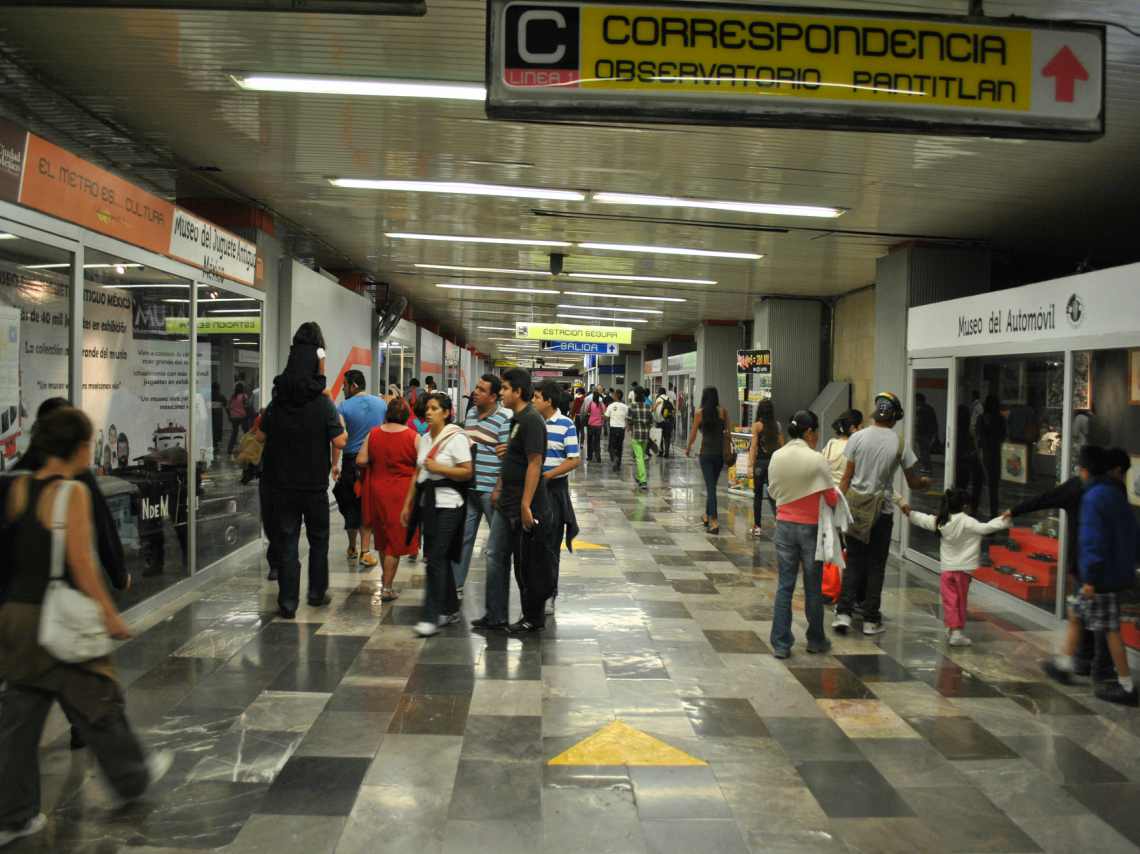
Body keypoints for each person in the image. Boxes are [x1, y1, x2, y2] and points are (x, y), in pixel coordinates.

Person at [0, 407, 171, 846]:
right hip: (60, 618)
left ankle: (16, 814)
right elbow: (80, 562)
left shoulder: (20, 487)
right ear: (77, 448)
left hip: (18, 616)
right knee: (96, 698)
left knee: (20, 716)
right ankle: (133, 776)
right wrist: (110, 614)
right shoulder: (71, 494)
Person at [12, 398, 131, 752]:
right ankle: (128, 770)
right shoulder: (73, 484)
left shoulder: (15, 479)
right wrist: (115, 583)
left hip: (21, 609)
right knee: (93, 685)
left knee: (25, 701)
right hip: (65, 604)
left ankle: (18, 802)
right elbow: (92, 545)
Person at [1004, 445, 1116, 683]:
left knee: (1088, 617)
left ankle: (1093, 668)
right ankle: (1085, 661)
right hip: (1101, 564)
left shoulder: (1079, 488)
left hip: (1086, 563)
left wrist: (1015, 510)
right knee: (1089, 616)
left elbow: (1045, 499)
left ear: (1083, 468)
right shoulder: (1111, 490)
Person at [257, 338, 346, 619]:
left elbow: (260, 436)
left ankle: (287, 602)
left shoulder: (277, 403)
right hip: (314, 487)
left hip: (282, 485)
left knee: (287, 541)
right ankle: (316, 593)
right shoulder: (322, 404)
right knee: (319, 540)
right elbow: (340, 441)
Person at [1042, 447, 1139, 706]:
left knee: (1110, 630)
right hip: (1111, 572)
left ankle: (1126, 685)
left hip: (1101, 577)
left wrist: (1091, 579)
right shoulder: (1114, 494)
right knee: (1076, 615)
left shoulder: (1094, 497)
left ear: (1085, 471)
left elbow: (1092, 541)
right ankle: (1063, 664)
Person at [833, 392, 929, 637]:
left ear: (876, 412)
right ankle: (870, 619)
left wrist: (835, 506)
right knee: (876, 565)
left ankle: (843, 613)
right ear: (895, 416)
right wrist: (925, 483)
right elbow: (913, 481)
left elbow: (846, 478)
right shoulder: (899, 444)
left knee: (853, 560)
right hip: (882, 512)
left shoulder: (857, 438)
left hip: (855, 509)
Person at [766, 409, 837, 659]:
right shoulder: (816, 459)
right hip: (810, 529)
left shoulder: (777, 455)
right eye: (816, 432)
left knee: (785, 586)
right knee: (812, 587)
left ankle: (781, 644)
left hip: (784, 525)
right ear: (809, 432)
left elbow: (773, 492)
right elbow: (830, 496)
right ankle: (816, 640)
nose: (817, 436)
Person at [401, 394, 472, 638]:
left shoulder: (456, 437)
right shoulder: (424, 438)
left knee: (436, 559)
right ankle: (450, 607)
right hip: (428, 504)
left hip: (450, 504)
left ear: (446, 412)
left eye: (434, 408)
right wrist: (408, 503)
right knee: (435, 556)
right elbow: (418, 471)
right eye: (427, 408)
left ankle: (431, 615)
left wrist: (440, 468)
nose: (428, 412)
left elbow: (466, 471)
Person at [487, 368, 550, 634]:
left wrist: (526, 505)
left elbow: (535, 463)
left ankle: (533, 617)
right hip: (507, 501)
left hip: (524, 504)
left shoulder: (532, 420)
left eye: (503, 388)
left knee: (526, 563)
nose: (500, 393)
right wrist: (499, 486)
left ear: (518, 392)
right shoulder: (517, 419)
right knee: (496, 555)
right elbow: (519, 458)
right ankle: (495, 615)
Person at [906, 488, 1010, 646]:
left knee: (950, 601)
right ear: (965, 506)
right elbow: (986, 528)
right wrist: (1004, 520)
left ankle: (951, 628)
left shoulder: (942, 521)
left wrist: (909, 513)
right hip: (963, 571)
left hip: (947, 570)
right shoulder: (967, 521)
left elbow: (924, 519)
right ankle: (957, 633)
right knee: (960, 601)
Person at [452, 374, 511, 601]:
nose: (475, 392)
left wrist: (498, 488)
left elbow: (506, 458)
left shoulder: (505, 418)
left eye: (481, 389)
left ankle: (496, 597)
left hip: (491, 491)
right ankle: (456, 586)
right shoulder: (471, 414)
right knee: (463, 539)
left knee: (496, 548)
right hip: (470, 488)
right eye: (476, 388)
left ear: (494, 396)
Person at [357, 398, 419, 603]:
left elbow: (361, 460)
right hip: (402, 493)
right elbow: (422, 465)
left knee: (383, 539)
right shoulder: (413, 436)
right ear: (406, 416)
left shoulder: (373, 433)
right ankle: (387, 587)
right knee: (396, 540)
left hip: (377, 490)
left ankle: (386, 582)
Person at [534, 380, 581, 615]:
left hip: (553, 492)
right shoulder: (531, 422)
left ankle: (550, 593)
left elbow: (574, 459)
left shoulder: (566, 424)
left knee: (551, 546)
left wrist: (547, 475)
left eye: (537, 397)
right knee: (533, 546)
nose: (533, 401)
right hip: (531, 491)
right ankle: (534, 592)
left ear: (548, 401)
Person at [333, 370, 387, 569]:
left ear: (353, 385)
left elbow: (339, 439)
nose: (343, 389)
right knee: (367, 505)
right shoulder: (381, 404)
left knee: (350, 504)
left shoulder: (343, 407)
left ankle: (352, 547)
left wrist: (334, 465)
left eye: (344, 385)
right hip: (373, 461)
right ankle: (365, 551)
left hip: (351, 461)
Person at [686, 387, 730, 535]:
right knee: (712, 486)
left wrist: (688, 448)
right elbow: (727, 433)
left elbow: (693, 433)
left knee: (711, 488)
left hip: (706, 454)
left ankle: (714, 521)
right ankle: (706, 516)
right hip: (719, 455)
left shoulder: (699, 413)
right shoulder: (723, 412)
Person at [748, 399, 784, 538]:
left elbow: (754, 447)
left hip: (760, 464)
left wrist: (750, 465)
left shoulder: (757, 426)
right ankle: (779, 521)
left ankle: (757, 526)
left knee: (757, 495)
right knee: (774, 494)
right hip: (773, 463)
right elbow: (782, 445)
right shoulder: (777, 426)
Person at [974, 394, 1006, 519]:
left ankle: (974, 507)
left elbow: (978, 437)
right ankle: (994, 511)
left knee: (978, 484)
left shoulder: (981, 418)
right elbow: (1003, 436)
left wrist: (978, 451)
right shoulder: (1001, 419)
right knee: (994, 485)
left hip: (983, 453)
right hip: (996, 453)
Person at [627, 387, 654, 491]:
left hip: (636, 435)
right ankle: (638, 477)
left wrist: (630, 428)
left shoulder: (632, 407)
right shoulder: (648, 407)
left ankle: (643, 481)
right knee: (641, 456)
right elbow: (651, 422)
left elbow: (630, 422)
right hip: (645, 436)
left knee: (639, 458)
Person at [914, 393, 939, 475]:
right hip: (928, 433)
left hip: (923, 433)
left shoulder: (922, 410)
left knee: (924, 451)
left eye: (916, 400)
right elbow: (934, 422)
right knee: (924, 451)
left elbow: (920, 423)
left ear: (919, 400)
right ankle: (926, 467)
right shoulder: (929, 408)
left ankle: (927, 468)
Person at [604, 389, 628, 472]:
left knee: (611, 447)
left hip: (613, 428)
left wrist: (604, 417)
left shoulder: (611, 406)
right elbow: (627, 418)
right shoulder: (625, 406)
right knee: (619, 447)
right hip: (621, 429)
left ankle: (614, 458)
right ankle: (618, 464)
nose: (613, 396)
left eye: (614, 395)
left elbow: (606, 417)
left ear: (617, 396)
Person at [227, 382, 250, 455]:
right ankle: (247, 448)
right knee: (246, 432)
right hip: (243, 417)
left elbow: (228, 407)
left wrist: (230, 415)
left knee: (234, 433)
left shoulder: (232, 396)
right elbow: (247, 406)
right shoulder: (244, 396)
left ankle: (229, 449)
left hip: (234, 417)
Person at [653, 387, 676, 457]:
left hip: (659, 421)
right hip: (668, 421)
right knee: (667, 437)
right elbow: (673, 410)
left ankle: (661, 452)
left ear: (659, 392)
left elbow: (655, 410)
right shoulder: (670, 399)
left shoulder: (658, 399)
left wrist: (656, 419)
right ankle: (667, 453)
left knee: (660, 437)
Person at [585, 390, 606, 463]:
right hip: (598, 426)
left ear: (593, 396)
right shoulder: (601, 404)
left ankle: (589, 456)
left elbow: (587, 411)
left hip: (591, 424)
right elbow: (604, 413)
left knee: (590, 441)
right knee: (597, 442)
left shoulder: (591, 403)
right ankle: (598, 457)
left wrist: (590, 414)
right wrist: (601, 418)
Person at [210, 382, 226, 453]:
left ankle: (211, 444)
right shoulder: (220, 396)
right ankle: (215, 445)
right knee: (217, 430)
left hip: (210, 415)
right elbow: (225, 403)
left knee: (211, 430)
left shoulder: (209, 395)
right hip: (218, 415)